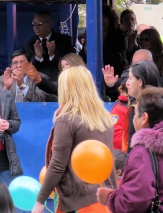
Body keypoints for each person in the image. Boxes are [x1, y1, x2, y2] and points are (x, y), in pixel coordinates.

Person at [97, 87, 163, 213]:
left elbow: (132, 203)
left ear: (144, 118)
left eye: (135, 114)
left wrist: (109, 197)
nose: (133, 119)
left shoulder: (143, 154)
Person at [31, 66, 117, 213]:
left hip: (80, 202)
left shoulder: (67, 120)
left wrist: (40, 202)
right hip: (107, 198)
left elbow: (57, 165)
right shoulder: (105, 118)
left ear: (66, 89)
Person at [23, 10, 74, 81]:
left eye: (39, 23)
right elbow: (26, 67)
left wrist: (53, 55)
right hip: (38, 84)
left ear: (49, 24)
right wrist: (37, 57)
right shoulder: (29, 44)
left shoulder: (64, 40)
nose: (36, 27)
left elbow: (71, 63)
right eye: (34, 24)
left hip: (60, 81)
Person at [122, 60, 161, 154]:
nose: (127, 83)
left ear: (140, 81)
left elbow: (132, 150)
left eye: (130, 78)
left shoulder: (137, 110)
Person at [0, 86, 23, 186]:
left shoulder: (6, 95)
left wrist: (8, 124)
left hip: (4, 154)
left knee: (9, 195)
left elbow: (16, 121)